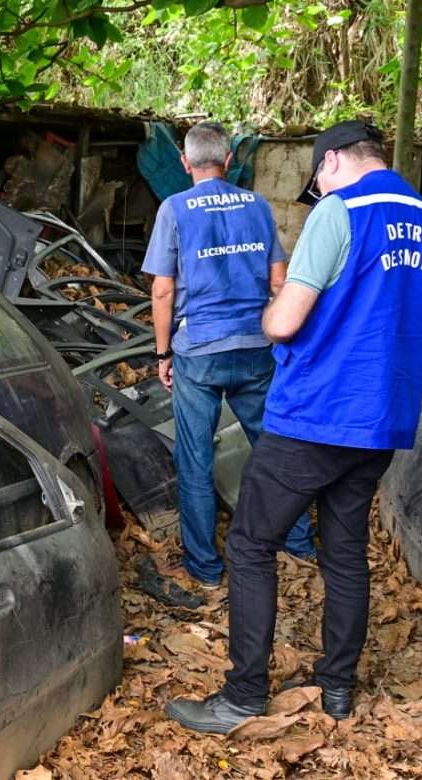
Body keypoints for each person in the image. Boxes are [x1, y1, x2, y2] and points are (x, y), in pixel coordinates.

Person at [165, 120, 422, 733]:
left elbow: (283, 322)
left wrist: (274, 310)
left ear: (331, 166)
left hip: (317, 413)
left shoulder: (339, 210)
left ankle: (244, 694)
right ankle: (337, 689)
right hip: (384, 421)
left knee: (249, 544)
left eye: (318, 178)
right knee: (345, 551)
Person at [143, 122, 316, 588]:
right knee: (274, 449)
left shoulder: (174, 209)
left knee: (195, 461)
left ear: (185, 163)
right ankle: (298, 541)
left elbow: (162, 292)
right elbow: (279, 283)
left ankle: (206, 567)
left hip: (198, 352)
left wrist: (162, 354)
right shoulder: (257, 205)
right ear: (229, 160)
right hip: (256, 346)